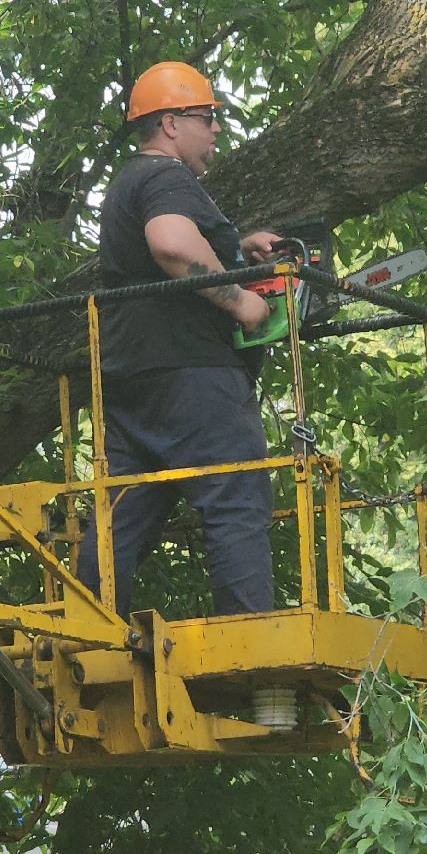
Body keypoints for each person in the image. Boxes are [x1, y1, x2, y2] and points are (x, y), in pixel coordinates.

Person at [77, 61, 284, 617]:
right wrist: (242, 300)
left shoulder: (128, 181)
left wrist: (236, 248)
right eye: (206, 117)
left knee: (121, 512)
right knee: (233, 498)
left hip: (129, 374)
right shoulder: (169, 177)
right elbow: (170, 245)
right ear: (170, 123)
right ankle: (253, 649)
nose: (216, 130)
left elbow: (155, 253)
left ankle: (89, 631)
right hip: (193, 374)